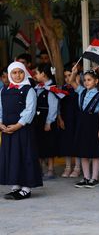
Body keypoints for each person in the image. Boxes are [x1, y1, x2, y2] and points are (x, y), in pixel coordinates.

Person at [0, 62, 43, 200]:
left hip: (22, 130)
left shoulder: (28, 90)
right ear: (9, 74)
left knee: (25, 156)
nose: (17, 75)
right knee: (12, 157)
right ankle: (16, 186)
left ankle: (26, 188)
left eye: (20, 72)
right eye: (14, 72)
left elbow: (29, 111)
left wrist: (18, 125)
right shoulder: (3, 90)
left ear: (25, 73)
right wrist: (0, 123)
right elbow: (0, 109)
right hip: (7, 131)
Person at [69, 66, 99, 188]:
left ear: (96, 81)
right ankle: (86, 178)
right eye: (85, 80)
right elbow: (71, 82)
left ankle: (94, 178)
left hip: (93, 124)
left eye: (89, 80)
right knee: (83, 152)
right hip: (81, 124)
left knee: (95, 152)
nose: (86, 82)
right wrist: (74, 73)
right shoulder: (81, 91)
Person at [33, 63, 59, 180]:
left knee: (49, 145)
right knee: (39, 144)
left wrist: (49, 122)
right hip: (38, 120)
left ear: (43, 74)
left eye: (37, 73)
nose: (35, 75)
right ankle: (40, 169)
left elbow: (53, 107)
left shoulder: (51, 89)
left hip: (47, 119)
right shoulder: (38, 87)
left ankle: (50, 170)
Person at [58, 64, 81, 178]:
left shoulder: (79, 88)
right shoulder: (62, 89)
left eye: (69, 75)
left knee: (76, 142)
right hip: (66, 119)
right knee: (66, 143)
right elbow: (59, 106)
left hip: (77, 119)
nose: (67, 78)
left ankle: (77, 167)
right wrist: (60, 119)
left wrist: (77, 82)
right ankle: (67, 167)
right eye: (66, 76)